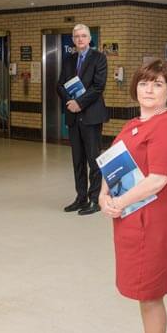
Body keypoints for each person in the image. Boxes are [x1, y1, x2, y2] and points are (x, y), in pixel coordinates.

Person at [100, 60, 167, 333]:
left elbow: (158, 180)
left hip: (154, 221)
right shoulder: (135, 123)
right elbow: (114, 161)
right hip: (130, 218)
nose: (149, 89)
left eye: (158, 84)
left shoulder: (166, 126)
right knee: (142, 292)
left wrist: (119, 203)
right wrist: (103, 195)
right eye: (144, 83)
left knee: (150, 295)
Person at [56, 23, 108, 215]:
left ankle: (95, 200)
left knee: (94, 160)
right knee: (77, 160)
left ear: (89, 38)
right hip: (73, 117)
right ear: (73, 40)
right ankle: (81, 198)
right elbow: (60, 85)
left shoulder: (99, 58)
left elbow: (98, 86)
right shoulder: (69, 60)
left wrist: (79, 103)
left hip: (91, 116)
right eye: (76, 36)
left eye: (83, 36)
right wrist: (70, 101)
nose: (80, 39)